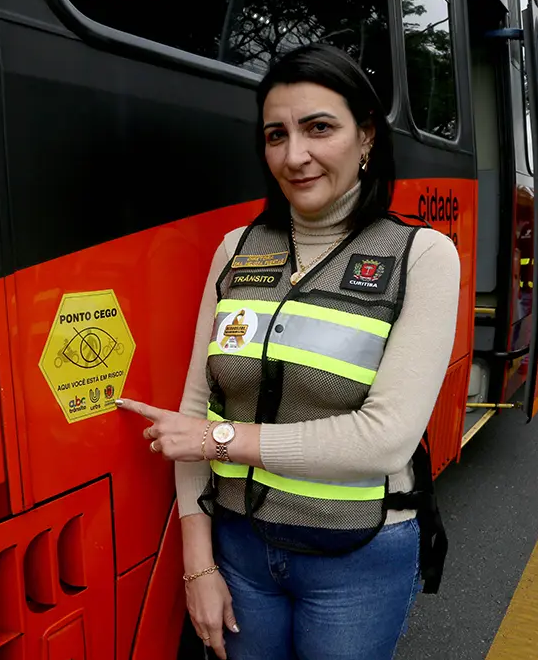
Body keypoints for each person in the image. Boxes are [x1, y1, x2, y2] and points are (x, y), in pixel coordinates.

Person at [115, 44, 459, 660]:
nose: (294, 155)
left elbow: (384, 440)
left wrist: (219, 442)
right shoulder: (235, 250)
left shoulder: (423, 257)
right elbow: (197, 405)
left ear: (367, 137)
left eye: (319, 128)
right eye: (276, 134)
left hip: (356, 559)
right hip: (240, 550)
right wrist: (199, 568)